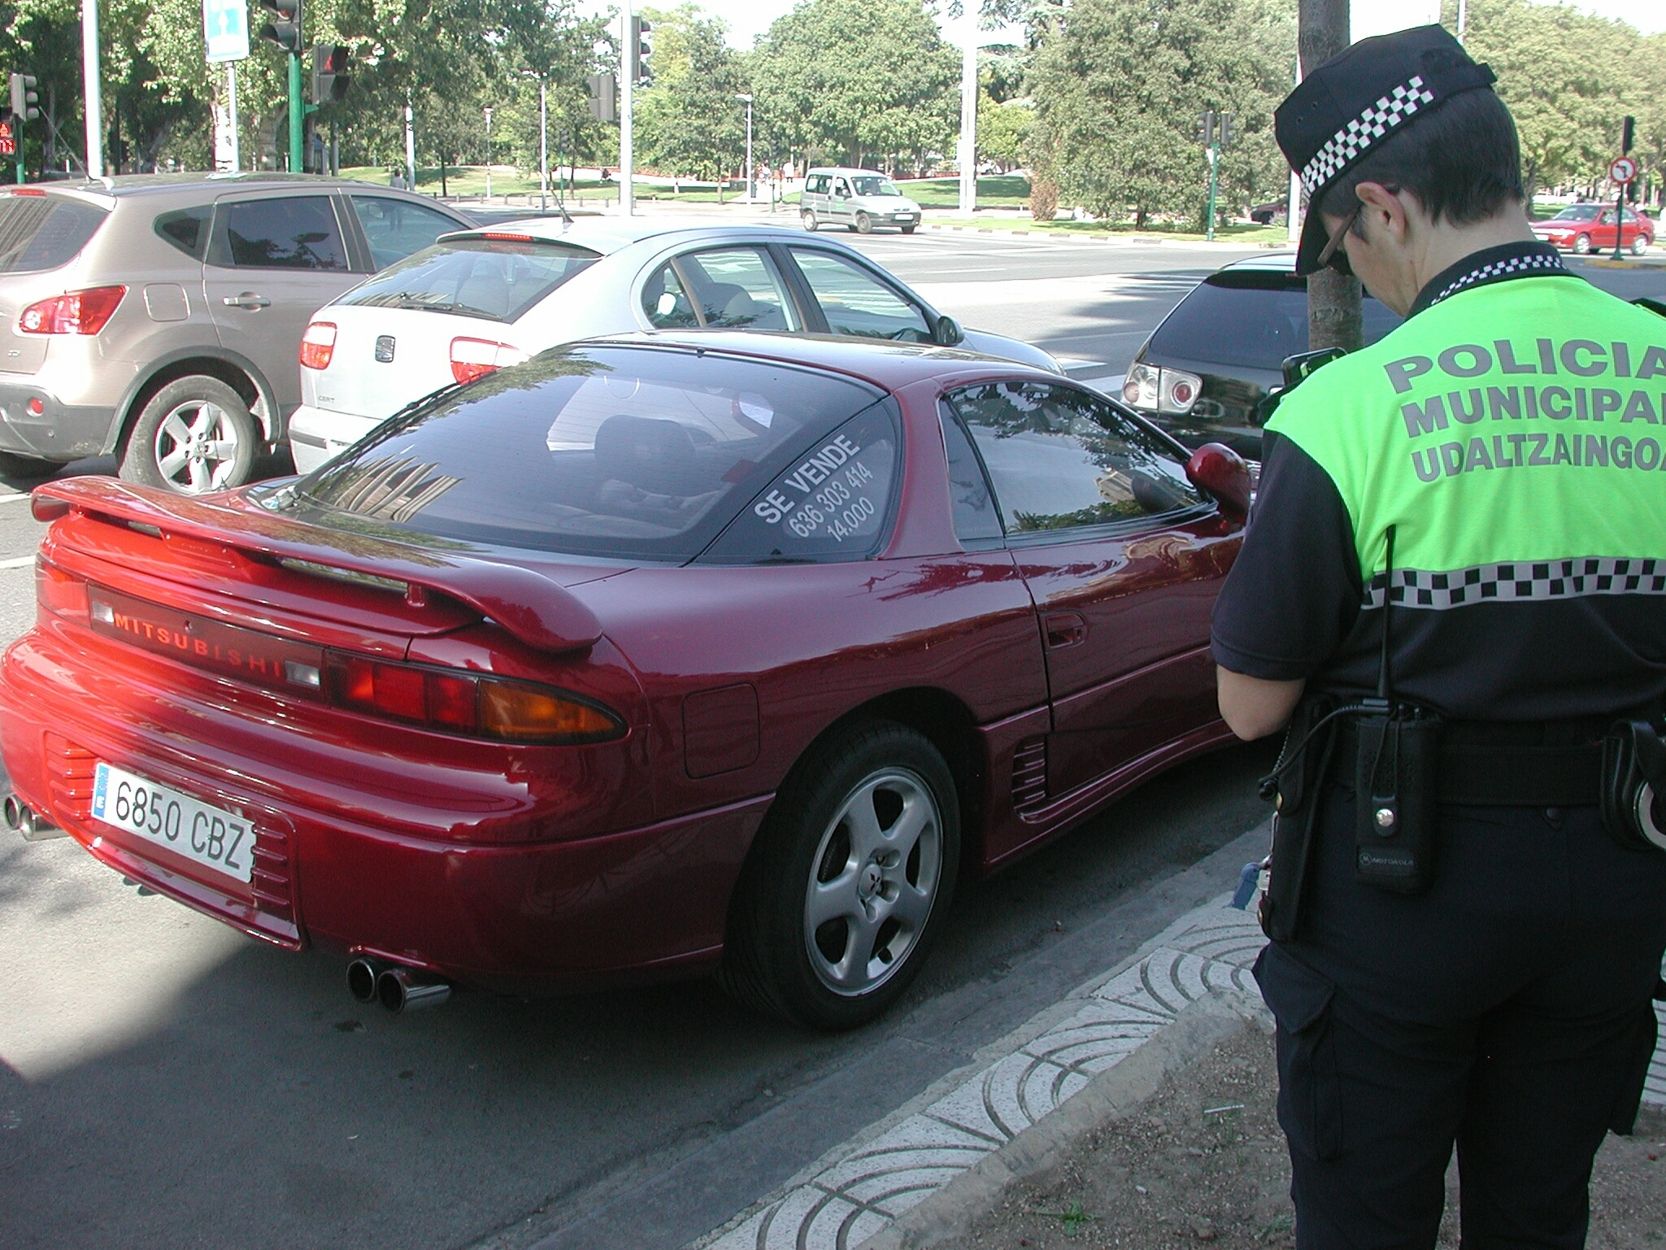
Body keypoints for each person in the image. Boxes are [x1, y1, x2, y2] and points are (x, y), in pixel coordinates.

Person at [1209, 23, 1666, 1250]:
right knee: (1536, 1209)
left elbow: (1250, 704)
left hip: (1397, 886)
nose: (1359, 273)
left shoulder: (1348, 408)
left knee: (1365, 1216)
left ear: (1383, 206)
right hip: (1618, 879)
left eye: (1347, 245)